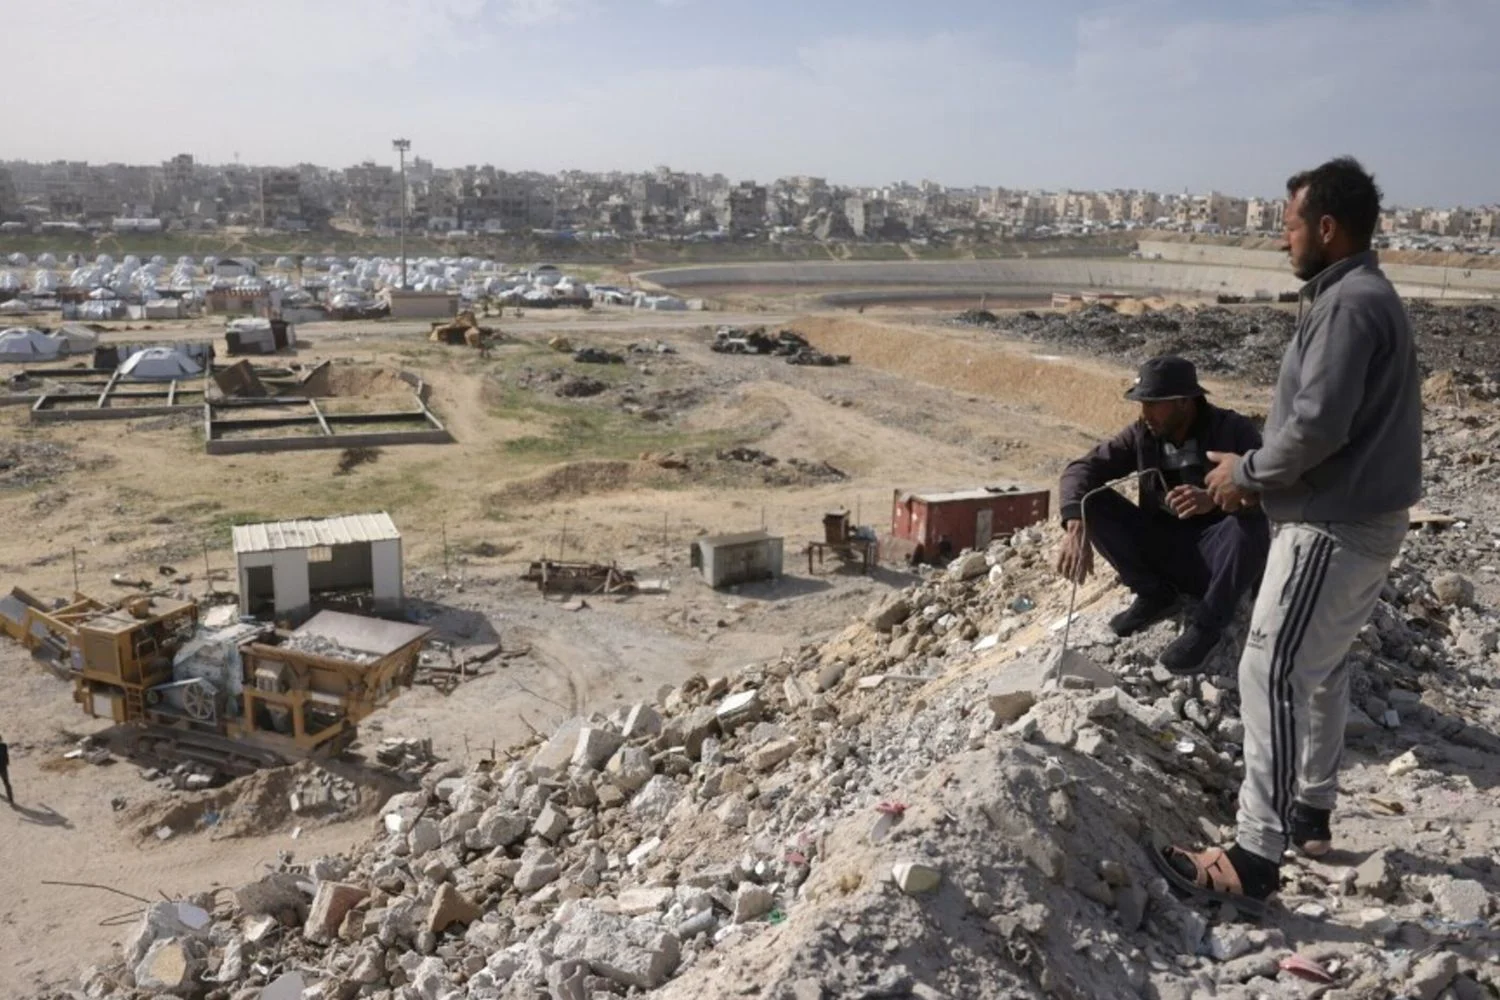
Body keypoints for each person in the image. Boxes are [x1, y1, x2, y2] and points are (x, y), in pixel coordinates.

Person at [1156, 157, 1423, 911]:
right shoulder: (1365, 295)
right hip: (1359, 519)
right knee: (1322, 669)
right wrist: (1258, 476)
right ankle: (1309, 813)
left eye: (1292, 224)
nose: (1283, 238)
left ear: (1327, 229)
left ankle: (1253, 854)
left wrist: (1245, 473)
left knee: (1268, 672)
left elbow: (1314, 429)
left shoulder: (1346, 305)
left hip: (1333, 526)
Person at [1056, 355, 1270, 672]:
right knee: (1092, 501)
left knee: (1253, 522)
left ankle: (1207, 626)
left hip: (1217, 559)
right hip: (1162, 550)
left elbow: (1270, 493)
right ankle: (1154, 594)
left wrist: (1216, 497)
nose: (1144, 413)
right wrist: (1076, 523)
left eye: (1153, 404)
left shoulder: (1234, 431)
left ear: (1184, 401)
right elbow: (1082, 470)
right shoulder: (1143, 434)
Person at [0, 733, 13, 806]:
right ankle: (10, 799)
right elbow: (6, 756)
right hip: (3, 768)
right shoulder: (4, 746)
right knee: (7, 783)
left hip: (2, 767)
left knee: (6, 783)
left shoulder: (4, 746)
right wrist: (7, 763)